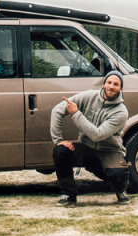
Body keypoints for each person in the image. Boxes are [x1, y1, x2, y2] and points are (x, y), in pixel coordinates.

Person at [51, 71, 131, 206]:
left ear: (120, 88)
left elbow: (97, 135)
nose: (111, 86)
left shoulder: (121, 112)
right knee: (60, 151)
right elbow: (57, 110)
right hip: (85, 148)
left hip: (109, 151)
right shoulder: (88, 96)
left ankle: (121, 189)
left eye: (116, 84)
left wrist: (76, 113)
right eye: (109, 82)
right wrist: (58, 140)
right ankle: (68, 194)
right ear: (104, 84)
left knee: (118, 175)